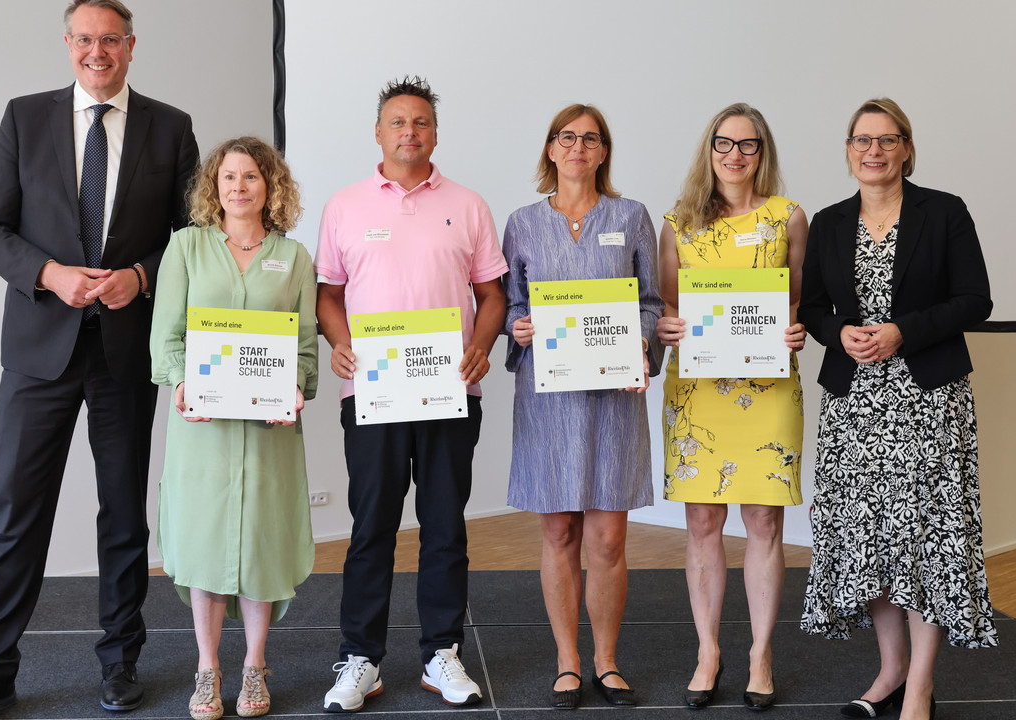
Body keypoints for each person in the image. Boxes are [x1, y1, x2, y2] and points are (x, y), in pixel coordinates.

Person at [0, 1, 198, 718]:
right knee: (17, 514)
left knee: (123, 516)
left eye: (110, 39)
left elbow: (193, 237)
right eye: (85, 39)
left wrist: (142, 276)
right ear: (67, 46)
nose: (97, 51)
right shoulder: (23, 118)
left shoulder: (170, 126)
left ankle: (120, 663)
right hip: (37, 353)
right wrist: (49, 274)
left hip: (125, 351)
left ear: (130, 46)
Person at [313, 76, 507, 712]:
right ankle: (361, 659)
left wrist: (481, 345)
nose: (409, 132)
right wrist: (339, 342)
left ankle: (440, 654)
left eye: (421, 122)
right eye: (398, 122)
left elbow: (492, 295)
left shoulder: (468, 205)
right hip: (370, 394)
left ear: (434, 133)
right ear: (378, 132)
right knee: (371, 527)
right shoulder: (344, 207)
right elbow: (329, 296)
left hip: (450, 394)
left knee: (445, 526)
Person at [799, 98, 996, 720]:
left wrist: (903, 332)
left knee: (927, 541)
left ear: (907, 148)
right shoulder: (829, 222)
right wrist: (841, 333)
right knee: (869, 539)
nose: (874, 151)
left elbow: (975, 299)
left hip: (928, 400)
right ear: (848, 150)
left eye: (887, 140)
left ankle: (920, 688)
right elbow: (812, 307)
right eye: (862, 140)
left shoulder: (944, 211)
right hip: (855, 404)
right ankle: (889, 672)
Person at [502, 104, 663, 709]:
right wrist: (517, 327)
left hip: (613, 400)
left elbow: (649, 300)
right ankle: (567, 662)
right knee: (560, 530)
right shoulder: (520, 223)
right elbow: (511, 304)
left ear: (603, 152)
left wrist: (641, 350)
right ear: (550, 149)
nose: (577, 148)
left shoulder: (631, 216)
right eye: (566, 138)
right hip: (548, 399)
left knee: (609, 538)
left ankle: (606, 661)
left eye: (590, 139)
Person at [150, 137, 317, 720]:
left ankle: (253, 668)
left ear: (270, 186)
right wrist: (180, 383)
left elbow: (303, 347)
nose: (239, 187)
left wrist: (295, 388)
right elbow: (166, 337)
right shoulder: (186, 249)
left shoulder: (293, 258)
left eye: (251, 177)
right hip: (205, 429)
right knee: (204, 548)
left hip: (269, 431)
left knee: (261, 547)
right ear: (213, 187)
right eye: (228, 177)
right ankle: (206, 669)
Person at [656, 103, 808, 712]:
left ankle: (760, 653)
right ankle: (708, 651)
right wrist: (666, 328)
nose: (735, 155)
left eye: (748, 145)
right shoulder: (677, 223)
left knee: (765, 523)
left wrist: (797, 330)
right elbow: (667, 306)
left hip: (768, 392)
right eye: (725, 143)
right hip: (698, 395)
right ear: (709, 149)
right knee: (702, 525)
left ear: (763, 152)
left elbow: (798, 303)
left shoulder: (788, 218)